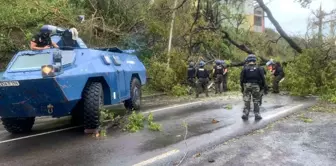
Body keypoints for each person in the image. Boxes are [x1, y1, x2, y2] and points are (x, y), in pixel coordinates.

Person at [240, 54, 268, 120]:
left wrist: (242, 87)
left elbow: (241, 79)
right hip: (256, 86)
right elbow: (263, 78)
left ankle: (246, 113)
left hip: (247, 86)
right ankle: (257, 114)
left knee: (247, 100)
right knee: (256, 100)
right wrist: (264, 86)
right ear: (255, 60)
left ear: (248, 60)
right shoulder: (259, 68)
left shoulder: (245, 68)